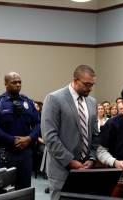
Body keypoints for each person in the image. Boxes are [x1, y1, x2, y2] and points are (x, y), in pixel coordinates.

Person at [41, 65, 98, 200]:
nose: (89, 88)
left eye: (92, 85)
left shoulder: (92, 102)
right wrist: (70, 161)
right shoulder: (54, 99)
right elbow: (49, 137)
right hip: (62, 169)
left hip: (86, 169)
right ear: (75, 80)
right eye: (86, 84)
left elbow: (95, 135)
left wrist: (92, 158)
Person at [0, 72, 40, 189]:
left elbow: (38, 124)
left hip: (25, 153)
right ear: (6, 84)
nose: (18, 85)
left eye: (20, 82)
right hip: (4, 152)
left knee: (24, 190)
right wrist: (13, 140)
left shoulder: (29, 102)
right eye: (14, 82)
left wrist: (29, 138)